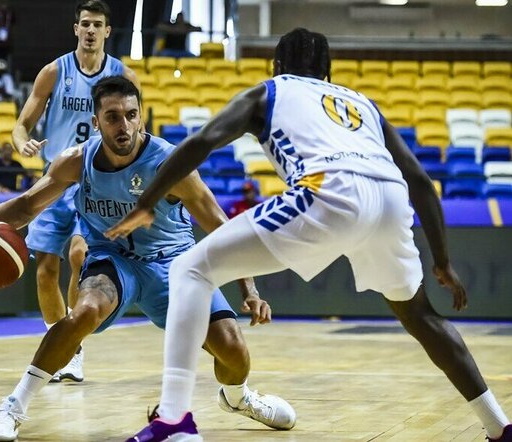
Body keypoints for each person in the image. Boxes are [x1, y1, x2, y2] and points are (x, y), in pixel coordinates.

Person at [108, 29, 512, 442]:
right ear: (327, 71)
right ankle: (500, 427)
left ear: (277, 66)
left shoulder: (269, 91)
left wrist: (147, 202)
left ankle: (174, 420)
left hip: (328, 191)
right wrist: (442, 261)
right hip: (390, 200)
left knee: (190, 269)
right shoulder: (362, 103)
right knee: (421, 315)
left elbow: (202, 141)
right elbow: (422, 182)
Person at [0, 76, 294, 442]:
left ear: (141, 117)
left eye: (131, 115)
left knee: (233, 349)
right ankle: (13, 405)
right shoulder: (76, 161)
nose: (124, 125)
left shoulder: (170, 163)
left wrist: (250, 289)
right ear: (97, 121)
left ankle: (238, 397)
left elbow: (220, 226)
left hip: (174, 263)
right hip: (113, 258)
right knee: (85, 311)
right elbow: (27, 206)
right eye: (113, 117)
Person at [10, 0, 138, 382]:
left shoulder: (122, 75)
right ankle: (67, 346)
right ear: (76, 28)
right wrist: (23, 144)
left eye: (97, 24)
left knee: (80, 254)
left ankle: (72, 340)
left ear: (107, 31)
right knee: (46, 268)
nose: (90, 30)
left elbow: (137, 127)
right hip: (56, 176)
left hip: (97, 176)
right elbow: (22, 124)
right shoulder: (54, 71)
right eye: (85, 23)